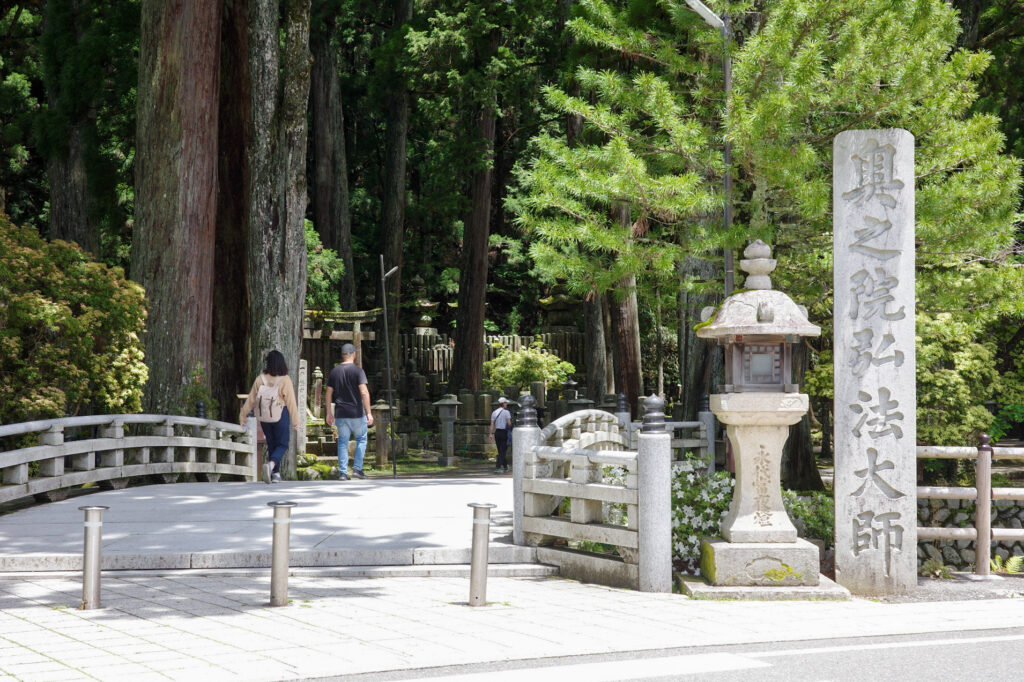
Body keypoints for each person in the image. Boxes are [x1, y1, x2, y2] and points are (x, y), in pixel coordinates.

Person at [239, 349, 300, 484]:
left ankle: (275, 474)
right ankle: (272, 465)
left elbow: (251, 399)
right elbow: (291, 402)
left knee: (272, 443)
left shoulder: (260, 379)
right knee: (283, 443)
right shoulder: (285, 379)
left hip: (264, 416)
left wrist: (243, 415)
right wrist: (296, 420)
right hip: (280, 414)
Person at [325, 343, 374, 480]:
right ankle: (357, 469)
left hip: (340, 412)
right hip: (356, 412)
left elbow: (328, 393)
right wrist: (369, 412)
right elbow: (364, 392)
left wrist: (328, 412)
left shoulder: (335, 371)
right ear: (354, 354)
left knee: (342, 442)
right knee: (361, 439)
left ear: (342, 355)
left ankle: (343, 472)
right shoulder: (358, 371)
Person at [489, 396, 512, 474]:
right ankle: (497, 467)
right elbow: (509, 423)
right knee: (503, 451)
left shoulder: (494, 412)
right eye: (506, 403)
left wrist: (491, 434)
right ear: (503, 403)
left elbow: (492, 424)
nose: (507, 404)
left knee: (500, 450)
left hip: (497, 432)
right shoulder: (506, 412)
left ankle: (505, 466)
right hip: (504, 432)